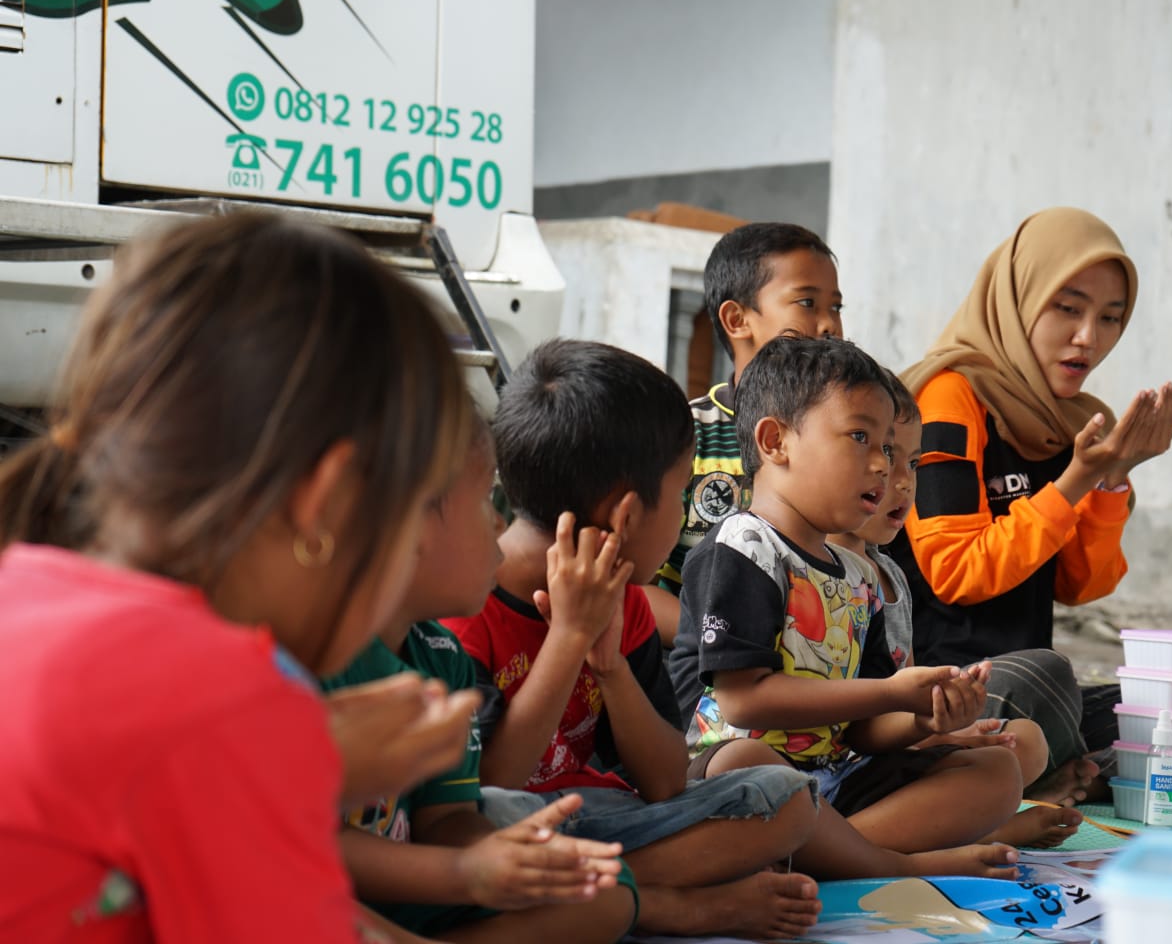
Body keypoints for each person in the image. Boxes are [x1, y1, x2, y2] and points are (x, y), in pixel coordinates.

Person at [0, 213, 473, 943]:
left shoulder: (26, 584)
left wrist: (301, 761)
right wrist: (278, 754)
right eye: (415, 510)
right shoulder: (222, 700)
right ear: (329, 502)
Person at [443, 338, 823, 941]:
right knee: (491, 818)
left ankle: (605, 890)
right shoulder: (464, 609)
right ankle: (663, 900)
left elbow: (665, 782)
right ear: (624, 517)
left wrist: (612, 668)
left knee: (786, 798)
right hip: (500, 834)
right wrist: (568, 639)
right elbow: (487, 787)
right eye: (677, 496)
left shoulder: (628, 604)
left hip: (597, 821)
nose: (681, 516)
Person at [671, 335, 1030, 880]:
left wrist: (921, 718)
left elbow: (859, 730)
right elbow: (743, 702)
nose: (882, 466)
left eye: (886, 447)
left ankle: (829, 852)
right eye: (859, 437)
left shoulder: (860, 575)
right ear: (775, 442)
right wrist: (890, 692)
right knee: (749, 765)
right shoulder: (743, 547)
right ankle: (890, 863)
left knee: (997, 770)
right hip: (737, 782)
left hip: (831, 780)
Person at [889, 206, 1172, 804]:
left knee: (1170, 710)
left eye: (1109, 318)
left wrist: (1112, 480)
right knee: (1049, 678)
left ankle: (1043, 767)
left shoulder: (1062, 418)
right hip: (936, 695)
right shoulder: (947, 396)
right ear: (1017, 301)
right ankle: (1037, 771)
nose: (1088, 338)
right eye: (1067, 308)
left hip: (1024, 687)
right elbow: (955, 570)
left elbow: (1081, 585)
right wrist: (1076, 480)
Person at [325, 405, 638, 943]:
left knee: (607, 892)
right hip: (313, 895)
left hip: (408, 893)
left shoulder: (440, 654)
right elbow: (294, 842)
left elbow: (445, 817)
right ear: (408, 520)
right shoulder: (320, 662)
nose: (499, 522)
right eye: (482, 499)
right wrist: (464, 876)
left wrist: (498, 855)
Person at [826, 371, 1083, 849]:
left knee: (1019, 744)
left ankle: (866, 839)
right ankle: (848, 849)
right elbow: (777, 717)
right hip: (801, 776)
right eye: (882, 455)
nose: (901, 483)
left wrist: (935, 732)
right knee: (1041, 678)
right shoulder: (788, 562)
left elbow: (871, 731)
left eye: (915, 462)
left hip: (867, 766)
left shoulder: (888, 572)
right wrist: (922, 726)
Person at [649, 222, 843, 643]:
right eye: (807, 303)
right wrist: (725, 635)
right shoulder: (686, 435)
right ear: (737, 320)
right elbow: (634, 588)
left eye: (836, 307)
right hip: (696, 678)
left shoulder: (847, 436)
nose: (829, 324)